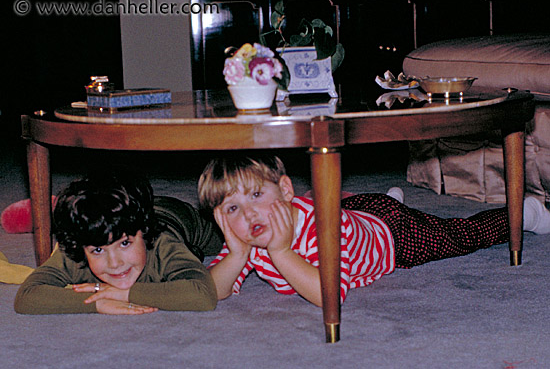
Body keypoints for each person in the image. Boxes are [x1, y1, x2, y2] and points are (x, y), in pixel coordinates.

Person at [198, 155, 550, 307]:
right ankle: (384, 196)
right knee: (342, 201)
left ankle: (526, 214)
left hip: (393, 233)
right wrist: (239, 254)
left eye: (257, 195)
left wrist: (281, 252)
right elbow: (214, 291)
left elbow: (330, 294)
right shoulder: (248, 233)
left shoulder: (322, 232)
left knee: (458, 236)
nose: (249, 213)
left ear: (286, 191)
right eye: (233, 209)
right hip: (354, 207)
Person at [14, 168, 223, 314]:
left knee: (236, 240)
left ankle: (192, 249)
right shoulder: (82, 245)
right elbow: (27, 296)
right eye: (97, 250)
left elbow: (203, 294)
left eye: (124, 244)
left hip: (180, 216)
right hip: (125, 221)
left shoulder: (161, 243)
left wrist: (124, 294)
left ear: (144, 233)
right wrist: (98, 302)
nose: (114, 264)